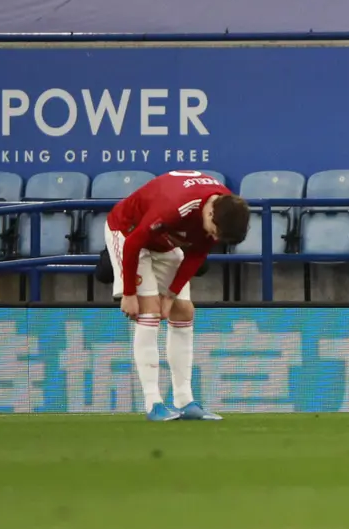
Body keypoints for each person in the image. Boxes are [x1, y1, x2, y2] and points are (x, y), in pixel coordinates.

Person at [104, 170, 251, 422]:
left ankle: (184, 401)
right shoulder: (176, 206)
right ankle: (153, 403)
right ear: (210, 213)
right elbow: (134, 243)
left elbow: (196, 254)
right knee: (148, 310)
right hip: (128, 232)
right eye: (215, 232)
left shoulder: (225, 211)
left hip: (165, 242)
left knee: (184, 310)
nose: (214, 239)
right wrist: (129, 293)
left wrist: (171, 295)